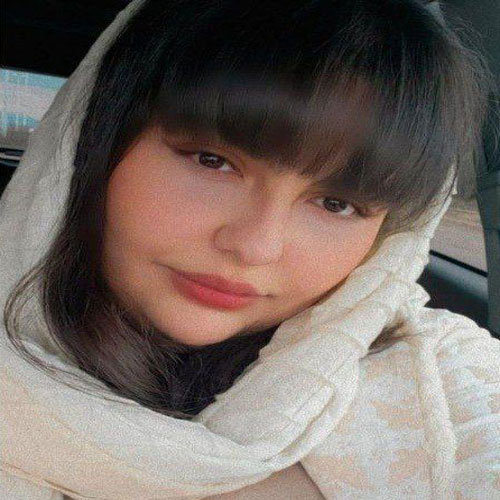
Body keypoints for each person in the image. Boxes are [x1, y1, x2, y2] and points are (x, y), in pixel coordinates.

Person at [1, 0, 499, 498]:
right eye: (211, 160)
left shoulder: (443, 381)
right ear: (98, 144)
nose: (256, 247)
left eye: (336, 204)